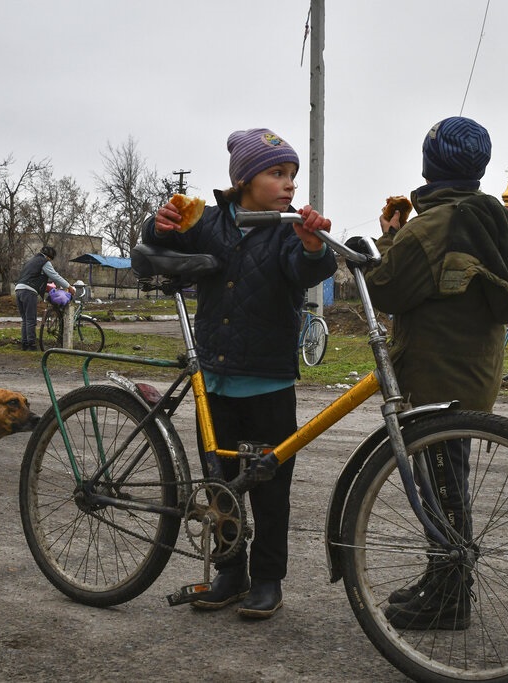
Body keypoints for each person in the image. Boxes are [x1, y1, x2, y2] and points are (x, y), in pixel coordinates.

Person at [142, 128, 337, 620]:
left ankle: (268, 579)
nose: (289, 183)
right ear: (245, 178)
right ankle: (231, 572)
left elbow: (305, 269)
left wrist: (314, 246)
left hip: (269, 381)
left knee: (272, 489)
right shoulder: (208, 222)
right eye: (278, 173)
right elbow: (158, 240)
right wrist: (159, 225)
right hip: (216, 377)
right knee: (220, 483)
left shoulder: (287, 228)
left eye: (292, 174)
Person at [363, 116, 508, 629]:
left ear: (429, 162)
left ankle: (451, 596)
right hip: (474, 370)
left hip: (435, 376)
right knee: (447, 482)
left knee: (441, 488)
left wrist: (390, 236)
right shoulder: (495, 219)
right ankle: (440, 577)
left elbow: (386, 288)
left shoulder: (433, 226)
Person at [14, 246, 77, 351]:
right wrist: (69, 287)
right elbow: (55, 276)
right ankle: (32, 346)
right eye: (51, 260)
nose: (50, 262)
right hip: (29, 292)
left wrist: (44, 287)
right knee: (30, 319)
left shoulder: (30, 261)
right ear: (49, 257)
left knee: (25, 319)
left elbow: (33, 277)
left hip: (18, 289)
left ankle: (24, 345)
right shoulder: (44, 262)